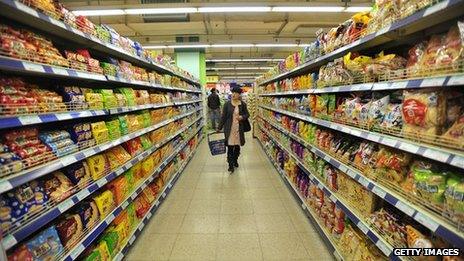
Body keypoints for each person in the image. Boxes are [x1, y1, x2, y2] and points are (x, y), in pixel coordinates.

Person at [218, 87, 250, 173]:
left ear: (239, 94)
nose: (234, 94)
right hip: (229, 129)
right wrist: (219, 127)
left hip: (239, 129)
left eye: (236, 93)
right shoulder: (227, 104)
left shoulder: (242, 104)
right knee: (230, 147)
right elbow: (223, 117)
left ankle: (235, 160)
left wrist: (242, 117)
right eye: (233, 93)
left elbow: (247, 114)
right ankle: (230, 164)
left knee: (237, 147)